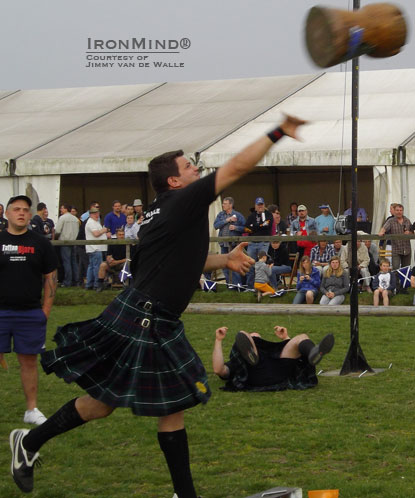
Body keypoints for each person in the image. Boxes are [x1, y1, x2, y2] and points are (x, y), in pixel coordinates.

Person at [9, 115, 307, 497]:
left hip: (145, 313)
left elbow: (173, 263)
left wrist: (223, 261)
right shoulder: (185, 199)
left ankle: (29, 443)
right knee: (158, 401)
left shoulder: (159, 212)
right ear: (175, 181)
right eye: (188, 167)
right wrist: (278, 132)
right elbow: (238, 167)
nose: (195, 168)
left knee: (115, 403)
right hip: (145, 317)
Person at [0, 195, 58, 426]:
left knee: (28, 362)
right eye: (16, 209)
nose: (21, 213)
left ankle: (31, 409)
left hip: (30, 313)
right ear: (7, 214)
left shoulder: (41, 243)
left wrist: (45, 310)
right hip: (1, 312)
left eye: (25, 209)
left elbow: (51, 277)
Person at [212, 325, 334, 392]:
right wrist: (218, 340)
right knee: (243, 333)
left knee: (301, 337)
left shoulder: (271, 350)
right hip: (255, 372)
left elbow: (291, 351)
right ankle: (253, 357)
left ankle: (314, 353)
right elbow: (219, 370)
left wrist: (286, 338)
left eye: (256, 338)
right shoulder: (239, 362)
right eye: (254, 339)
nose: (256, 336)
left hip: (278, 368)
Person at [213, 196, 246, 286]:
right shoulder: (221, 215)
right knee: (224, 265)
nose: (223, 205)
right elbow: (215, 225)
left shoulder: (238, 215)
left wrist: (236, 227)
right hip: (223, 244)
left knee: (235, 264)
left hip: (234, 244)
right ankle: (229, 284)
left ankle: (237, 285)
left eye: (225, 203)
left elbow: (245, 228)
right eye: (223, 203)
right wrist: (227, 220)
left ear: (230, 205)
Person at [244, 197, 274, 288]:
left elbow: (267, 225)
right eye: (258, 205)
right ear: (255, 206)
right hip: (252, 243)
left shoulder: (268, 214)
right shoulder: (251, 215)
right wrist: (260, 226)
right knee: (250, 263)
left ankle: (263, 285)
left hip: (264, 242)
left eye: (261, 205)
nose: (260, 206)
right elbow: (246, 228)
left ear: (264, 205)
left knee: (262, 264)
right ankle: (250, 287)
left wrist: (254, 226)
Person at [378, 203, 413, 270]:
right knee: (396, 268)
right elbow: (384, 228)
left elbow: (412, 232)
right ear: (394, 211)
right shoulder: (391, 221)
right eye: (397, 210)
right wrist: (381, 232)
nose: (399, 212)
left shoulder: (407, 220)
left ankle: (404, 281)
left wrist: (409, 233)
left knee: (406, 269)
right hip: (396, 249)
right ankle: (396, 281)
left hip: (407, 249)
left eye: (400, 210)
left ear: (403, 211)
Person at [55, 204, 80, 287]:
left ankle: (67, 282)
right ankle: (76, 281)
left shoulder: (62, 218)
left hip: (65, 242)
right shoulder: (75, 219)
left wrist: (55, 238)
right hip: (74, 242)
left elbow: (57, 230)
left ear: (66, 209)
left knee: (66, 262)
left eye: (61, 208)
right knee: (74, 262)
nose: (60, 210)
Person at [85, 206, 108, 291]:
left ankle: (89, 284)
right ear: (90, 214)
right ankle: (96, 284)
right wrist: (104, 230)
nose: (96, 215)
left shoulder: (95, 222)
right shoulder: (91, 222)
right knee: (97, 267)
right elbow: (96, 234)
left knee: (91, 266)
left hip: (95, 248)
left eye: (97, 213)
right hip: (95, 248)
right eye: (94, 213)